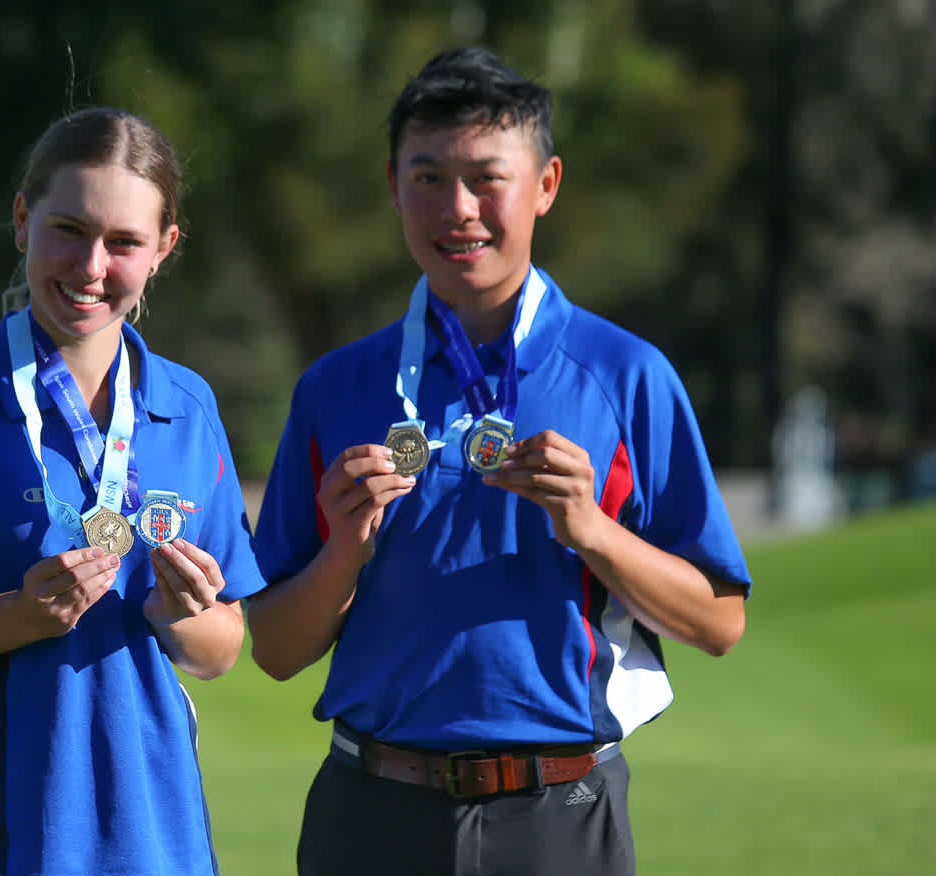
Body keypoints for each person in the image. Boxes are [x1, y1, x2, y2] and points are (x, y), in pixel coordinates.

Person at [246, 47, 753, 876]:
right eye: (428, 178)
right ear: (391, 186)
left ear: (546, 185)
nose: (458, 209)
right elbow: (273, 650)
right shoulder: (336, 388)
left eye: (488, 178)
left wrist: (591, 529)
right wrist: (344, 549)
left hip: (560, 812)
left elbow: (719, 623)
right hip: (371, 808)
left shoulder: (628, 377)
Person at [0, 106, 267, 876]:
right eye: (69, 229)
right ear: (23, 221)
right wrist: (18, 618)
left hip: (159, 844)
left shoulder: (188, 408)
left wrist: (181, 615)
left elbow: (222, 647)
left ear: (164, 249)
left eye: (124, 242)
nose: (91, 266)